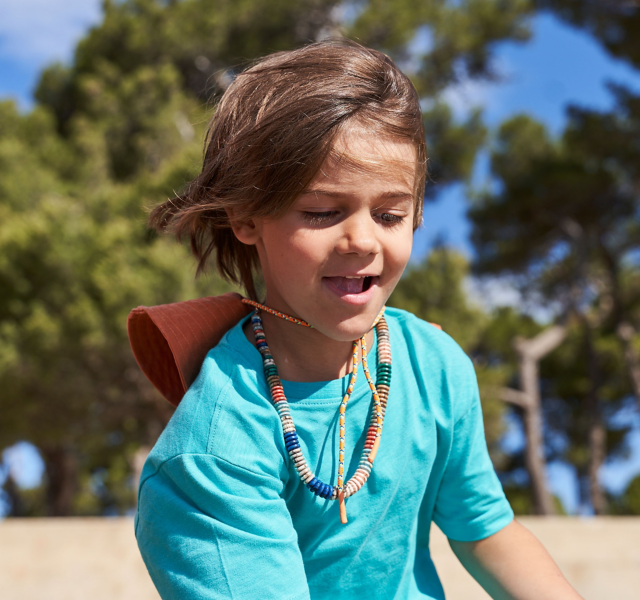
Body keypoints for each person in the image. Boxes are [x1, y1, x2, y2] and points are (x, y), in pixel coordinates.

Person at [134, 38, 583, 600]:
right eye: (322, 212)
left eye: (390, 214)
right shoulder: (212, 456)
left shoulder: (434, 367)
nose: (362, 240)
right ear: (246, 216)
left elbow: (486, 530)